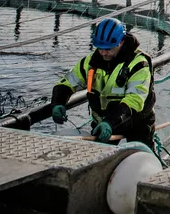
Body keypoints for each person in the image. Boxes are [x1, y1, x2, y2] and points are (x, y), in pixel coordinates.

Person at [50, 18, 156, 148]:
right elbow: (66, 83)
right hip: (103, 125)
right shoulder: (90, 62)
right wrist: (58, 102)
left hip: (136, 123)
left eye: (109, 49)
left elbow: (134, 100)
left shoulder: (139, 64)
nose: (103, 53)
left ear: (121, 42)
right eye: (100, 48)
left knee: (142, 157)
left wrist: (110, 122)